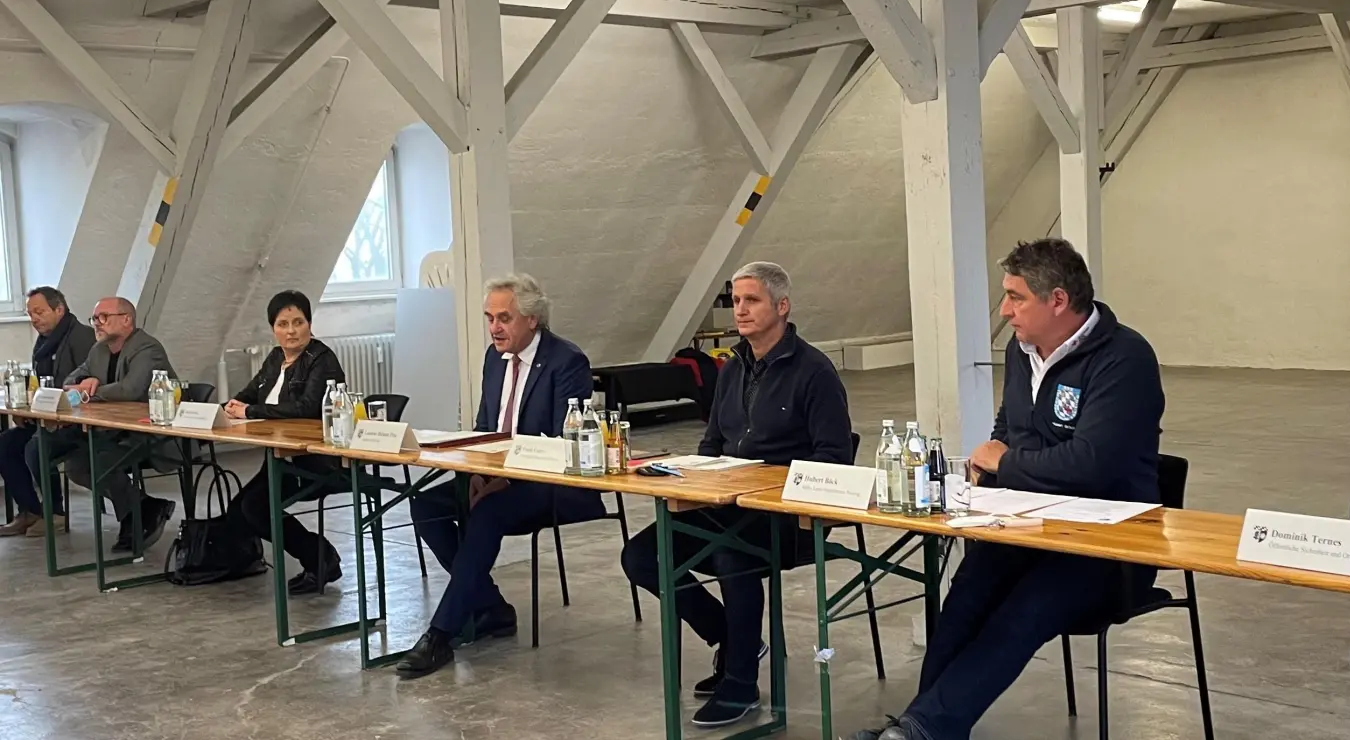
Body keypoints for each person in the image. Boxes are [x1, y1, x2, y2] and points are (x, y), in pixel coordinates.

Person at [848, 239, 1164, 740]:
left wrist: (1007, 462)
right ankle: (920, 724)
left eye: (1016, 297)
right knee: (967, 594)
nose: (1005, 310)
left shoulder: (1125, 359)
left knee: (1024, 609)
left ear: (1057, 300)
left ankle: (924, 729)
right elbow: (1013, 424)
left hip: (1108, 547)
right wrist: (994, 450)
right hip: (1031, 528)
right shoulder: (1022, 352)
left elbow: (1091, 466)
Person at [621, 261, 853, 729]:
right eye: (736, 300)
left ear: (781, 307)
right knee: (642, 555)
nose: (740, 311)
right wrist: (698, 478)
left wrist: (767, 484)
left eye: (752, 301)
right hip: (724, 505)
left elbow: (833, 458)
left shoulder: (814, 372)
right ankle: (731, 637)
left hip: (784, 516)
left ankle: (741, 683)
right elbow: (712, 443)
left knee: (732, 557)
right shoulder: (731, 368)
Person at [396, 274, 605, 679]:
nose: (494, 328)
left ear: (532, 319)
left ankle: (441, 633)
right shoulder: (494, 358)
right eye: (489, 317)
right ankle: (491, 607)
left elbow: (568, 441)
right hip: (496, 475)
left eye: (504, 318)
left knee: (488, 513)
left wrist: (504, 480)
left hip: (555, 483)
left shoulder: (567, 361)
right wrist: (475, 471)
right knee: (427, 506)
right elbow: (483, 427)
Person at [224, 290, 347, 594]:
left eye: (298, 322)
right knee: (239, 511)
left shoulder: (322, 360)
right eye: (282, 324)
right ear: (273, 328)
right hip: (282, 458)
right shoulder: (275, 358)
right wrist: (234, 404)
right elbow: (250, 393)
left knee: (255, 508)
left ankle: (320, 558)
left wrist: (250, 411)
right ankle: (246, 562)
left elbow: (307, 408)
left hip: (316, 461)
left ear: (309, 323)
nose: (291, 331)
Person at [46, 297, 179, 553]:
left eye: (103, 317)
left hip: (154, 434)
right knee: (77, 466)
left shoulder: (147, 348)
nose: (97, 323)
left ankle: (135, 516)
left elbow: (131, 389)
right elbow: (73, 378)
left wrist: (87, 394)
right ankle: (143, 507)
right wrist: (86, 380)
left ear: (126, 319)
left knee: (100, 461)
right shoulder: (100, 349)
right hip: (117, 431)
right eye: (94, 318)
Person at [0, 287, 94, 537]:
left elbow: (88, 385)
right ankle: (30, 510)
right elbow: (43, 385)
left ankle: (56, 513)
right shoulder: (43, 342)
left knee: (36, 446)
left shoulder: (81, 337)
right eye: (30, 314)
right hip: (48, 416)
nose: (34, 319)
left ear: (59, 310)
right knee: (6, 443)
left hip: (75, 421)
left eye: (39, 312)